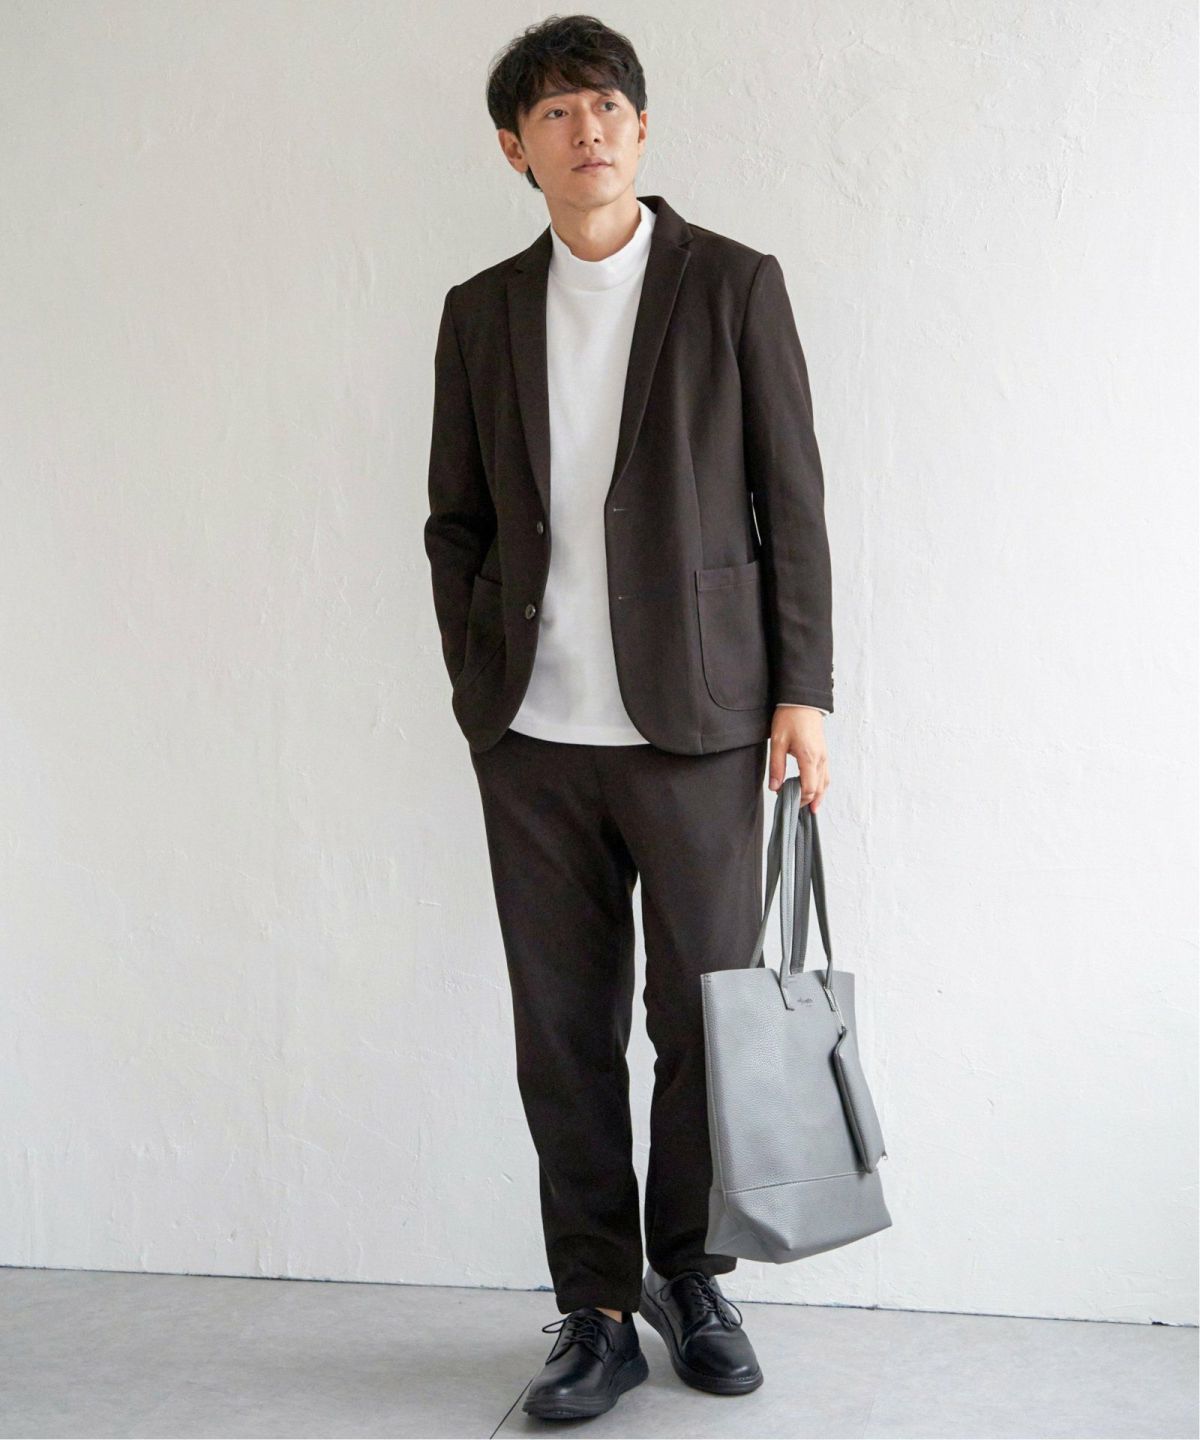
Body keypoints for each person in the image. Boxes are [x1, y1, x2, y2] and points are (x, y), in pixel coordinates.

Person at [424, 13, 834, 1422]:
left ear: (641, 130)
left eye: (606, 105)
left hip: (701, 725)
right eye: (555, 113)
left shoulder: (731, 283)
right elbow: (456, 521)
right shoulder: (481, 310)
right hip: (532, 737)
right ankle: (595, 1306)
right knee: (563, 1032)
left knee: (706, 1021)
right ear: (516, 150)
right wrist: (476, 681)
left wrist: (803, 691)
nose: (586, 129)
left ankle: (693, 1275)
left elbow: (793, 503)